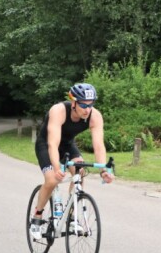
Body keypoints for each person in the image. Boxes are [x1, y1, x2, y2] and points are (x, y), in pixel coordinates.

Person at [30, 83, 114, 240]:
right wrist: (57, 168)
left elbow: (98, 146)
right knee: (52, 179)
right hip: (47, 144)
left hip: (68, 145)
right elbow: (52, 144)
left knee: (79, 172)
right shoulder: (59, 110)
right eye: (83, 104)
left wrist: (104, 171)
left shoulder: (94, 116)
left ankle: (73, 217)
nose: (87, 109)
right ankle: (37, 215)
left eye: (91, 105)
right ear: (73, 102)